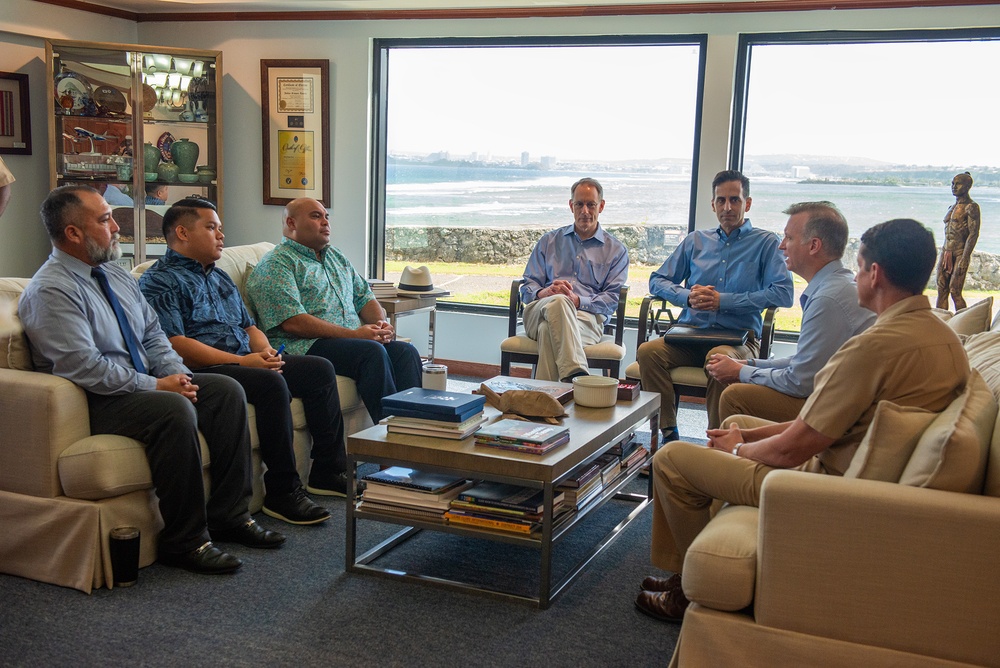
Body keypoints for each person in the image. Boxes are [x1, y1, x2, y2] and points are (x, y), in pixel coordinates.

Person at [634, 218, 970, 624]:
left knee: (673, 460)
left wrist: (739, 448)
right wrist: (749, 433)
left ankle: (694, 589)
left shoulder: (872, 348)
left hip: (815, 484)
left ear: (875, 274)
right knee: (736, 417)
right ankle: (682, 576)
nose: (855, 276)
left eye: (860, 267)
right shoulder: (940, 335)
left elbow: (796, 446)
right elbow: (830, 421)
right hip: (839, 458)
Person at [19, 185, 285, 576]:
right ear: (73, 234)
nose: (115, 226)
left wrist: (174, 372)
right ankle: (186, 540)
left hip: (144, 382)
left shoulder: (115, 274)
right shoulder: (51, 289)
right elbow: (85, 367)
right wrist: (157, 387)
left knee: (226, 390)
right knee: (172, 407)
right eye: (105, 219)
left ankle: (230, 515)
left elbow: (153, 335)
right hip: (97, 398)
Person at [139, 197, 349, 522]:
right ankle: (282, 492)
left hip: (244, 361)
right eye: (211, 228)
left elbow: (249, 325)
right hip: (208, 369)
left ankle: (329, 470)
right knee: (269, 383)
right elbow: (175, 343)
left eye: (220, 228)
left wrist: (263, 351)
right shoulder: (160, 280)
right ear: (181, 232)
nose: (221, 235)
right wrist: (243, 363)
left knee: (318, 370)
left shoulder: (220, 277)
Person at [636, 170, 794, 437]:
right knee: (648, 352)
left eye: (735, 200)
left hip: (739, 340)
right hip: (690, 336)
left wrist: (724, 301)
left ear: (748, 203)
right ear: (713, 204)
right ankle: (667, 431)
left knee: (717, 359)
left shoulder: (766, 243)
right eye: (721, 200)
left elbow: (783, 293)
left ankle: (716, 439)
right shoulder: (696, 241)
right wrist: (687, 297)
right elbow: (657, 280)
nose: (727, 207)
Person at [246, 197, 422, 424]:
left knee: (406, 353)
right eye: (316, 216)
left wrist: (382, 325)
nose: (325, 222)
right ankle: (388, 447)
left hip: (350, 341)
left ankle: (415, 432)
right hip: (306, 345)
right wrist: (355, 335)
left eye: (326, 216)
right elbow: (293, 322)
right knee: (371, 352)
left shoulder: (336, 256)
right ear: (291, 223)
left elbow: (364, 297)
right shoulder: (277, 264)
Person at [706, 201, 876, 424]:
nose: (781, 246)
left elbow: (800, 381)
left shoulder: (828, 299)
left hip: (843, 412)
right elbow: (805, 362)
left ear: (814, 245)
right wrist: (748, 365)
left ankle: (735, 455)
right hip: (839, 395)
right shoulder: (834, 286)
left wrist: (740, 373)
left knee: (736, 396)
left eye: (789, 238)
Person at [518, 177, 629, 382]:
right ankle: (576, 375)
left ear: (601, 206)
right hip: (538, 311)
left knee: (548, 331)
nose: (585, 211)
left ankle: (545, 401)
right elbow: (527, 287)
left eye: (591, 205)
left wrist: (577, 301)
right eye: (579, 204)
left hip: (587, 320)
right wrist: (546, 292)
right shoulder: (548, 241)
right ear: (571, 206)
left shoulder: (616, 250)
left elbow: (612, 300)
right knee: (558, 301)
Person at [937, 171, 980, 311]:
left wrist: (965, 257)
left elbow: (973, 234)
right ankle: (940, 322)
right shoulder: (951, 208)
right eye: (952, 184)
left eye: (958, 184)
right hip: (946, 251)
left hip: (960, 252)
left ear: (967, 186)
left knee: (955, 290)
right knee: (942, 289)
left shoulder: (971, 207)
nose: (954, 187)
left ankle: (964, 322)